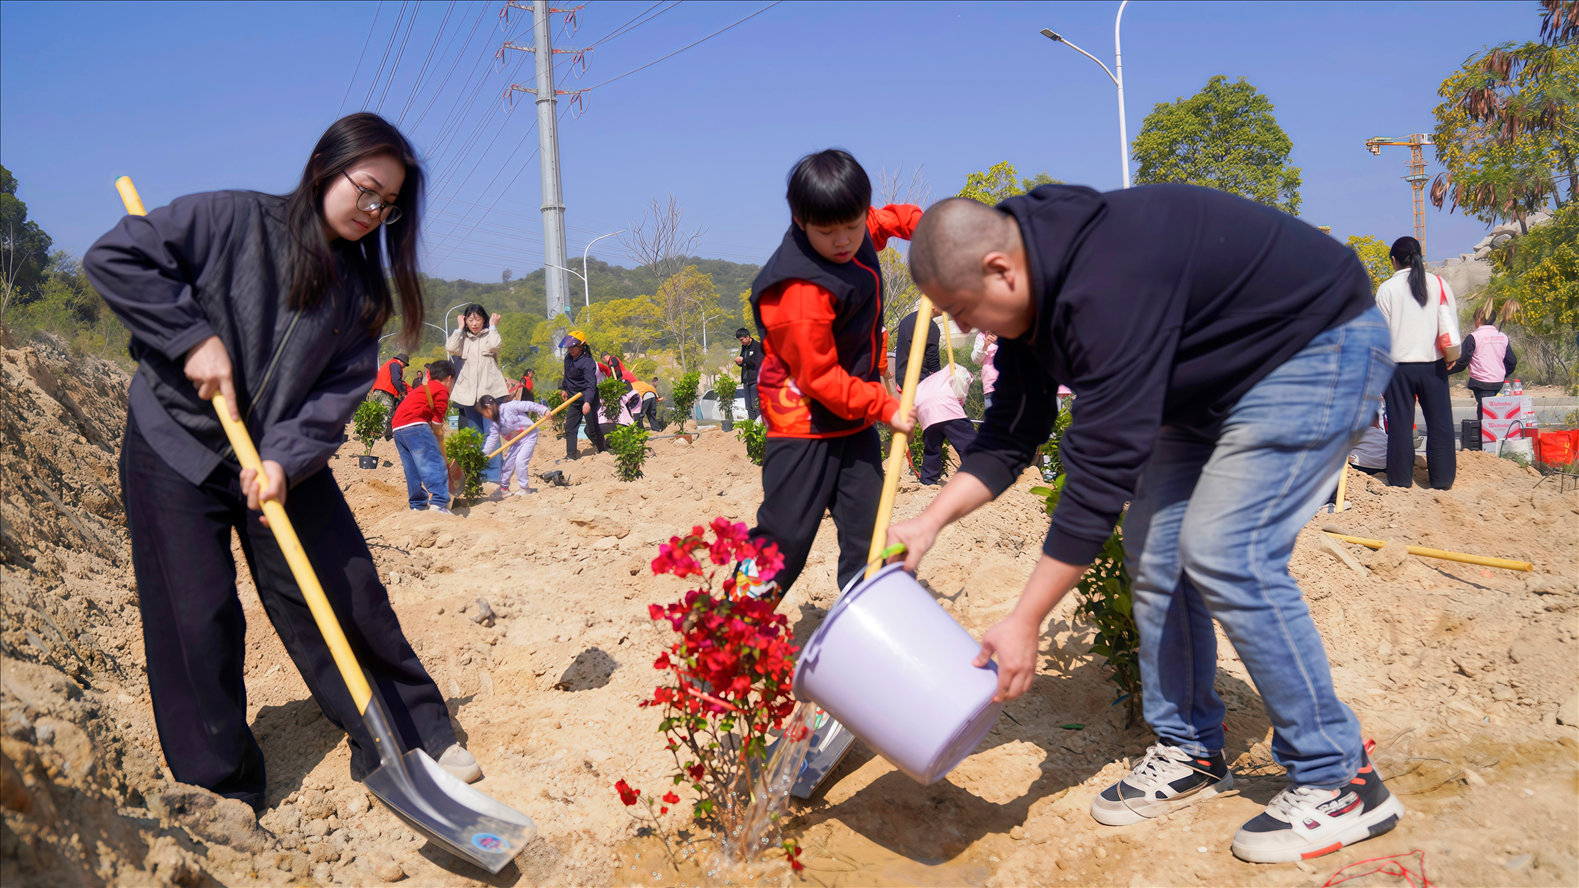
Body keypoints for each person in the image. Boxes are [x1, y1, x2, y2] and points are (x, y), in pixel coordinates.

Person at [892, 185, 1400, 865]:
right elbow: (1012, 431)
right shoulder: (1031, 293)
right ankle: (1191, 748)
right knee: (1156, 548)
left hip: (1313, 345)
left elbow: (1098, 481)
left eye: (963, 310)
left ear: (999, 269)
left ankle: (1340, 779)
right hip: (1208, 384)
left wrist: (1025, 619)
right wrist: (928, 522)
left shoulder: (1105, 283)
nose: (967, 328)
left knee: (1227, 549)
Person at [83, 112, 482, 814]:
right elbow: (115, 257)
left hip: (280, 456)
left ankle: (411, 736)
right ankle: (222, 787)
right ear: (327, 165)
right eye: (366, 190)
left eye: (388, 204)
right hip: (174, 443)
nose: (373, 211)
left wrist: (283, 460)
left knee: (345, 590)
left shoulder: (363, 295)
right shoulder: (231, 218)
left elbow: (335, 395)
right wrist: (190, 337)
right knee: (196, 615)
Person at [746, 148, 919, 597]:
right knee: (783, 541)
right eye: (828, 233)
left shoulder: (852, 226)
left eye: (852, 227)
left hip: (852, 416)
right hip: (803, 423)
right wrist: (884, 405)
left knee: (870, 532)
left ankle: (868, 616)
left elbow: (886, 221)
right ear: (801, 222)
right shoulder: (797, 291)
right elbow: (819, 378)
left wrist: (928, 231)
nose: (844, 241)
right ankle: (730, 627)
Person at [1375, 236, 1457, 489]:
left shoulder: (1387, 289)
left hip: (1398, 369)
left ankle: (1400, 480)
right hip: (1433, 365)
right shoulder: (1438, 283)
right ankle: (1442, 480)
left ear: (1394, 260)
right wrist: (1450, 355)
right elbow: (1450, 322)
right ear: (1420, 257)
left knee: (1400, 426)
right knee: (1440, 425)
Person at [446, 304, 509, 482]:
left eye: (478, 319)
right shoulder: (463, 338)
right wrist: (459, 328)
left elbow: (496, 345)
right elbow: (451, 347)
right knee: (475, 435)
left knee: (491, 434)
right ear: (465, 320)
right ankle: (481, 475)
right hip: (468, 394)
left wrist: (493, 326)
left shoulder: (490, 335)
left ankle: (494, 476)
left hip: (490, 392)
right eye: (470, 319)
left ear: (484, 320)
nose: (474, 323)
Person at [392, 360, 458, 514]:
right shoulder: (441, 390)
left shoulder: (422, 389)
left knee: (412, 468)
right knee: (433, 462)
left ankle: (417, 504)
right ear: (449, 378)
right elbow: (437, 422)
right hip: (416, 425)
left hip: (397, 428)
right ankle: (439, 502)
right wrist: (437, 439)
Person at [1448, 304, 1518, 421]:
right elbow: (1512, 361)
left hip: (1481, 383)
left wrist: (1445, 370)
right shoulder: (1502, 337)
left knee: (1485, 415)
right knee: (1491, 411)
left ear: (1479, 318)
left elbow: (1462, 362)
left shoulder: (1474, 337)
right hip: (1498, 382)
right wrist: (1501, 373)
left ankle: (1484, 431)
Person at [477, 393, 549, 497]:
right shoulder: (494, 422)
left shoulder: (509, 407)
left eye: (483, 413)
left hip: (529, 435)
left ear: (489, 407)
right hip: (515, 441)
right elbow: (492, 438)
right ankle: (504, 488)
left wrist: (544, 410)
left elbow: (529, 405)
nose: (484, 416)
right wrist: (484, 454)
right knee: (507, 464)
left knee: (520, 461)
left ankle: (524, 488)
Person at [915, 364, 977, 485]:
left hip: (925, 413)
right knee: (969, 443)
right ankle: (977, 475)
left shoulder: (933, 379)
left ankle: (928, 481)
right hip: (946, 405)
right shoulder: (960, 371)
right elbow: (960, 391)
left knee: (932, 450)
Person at [559, 330, 606, 458]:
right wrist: (564, 388)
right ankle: (571, 455)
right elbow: (567, 375)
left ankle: (603, 451)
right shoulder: (568, 358)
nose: (570, 350)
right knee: (570, 427)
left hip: (587, 397)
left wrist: (587, 402)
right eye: (568, 347)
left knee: (592, 429)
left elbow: (591, 384)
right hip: (574, 398)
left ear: (581, 346)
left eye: (572, 347)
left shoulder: (587, 362)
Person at [893, 304, 941, 388]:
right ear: (933, 305)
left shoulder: (906, 320)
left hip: (902, 379)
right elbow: (933, 363)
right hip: (919, 382)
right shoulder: (930, 326)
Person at [367, 352, 409, 438]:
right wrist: (403, 392)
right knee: (385, 412)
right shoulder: (396, 365)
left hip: (378, 391)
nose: (404, 367)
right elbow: (396, 380)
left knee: (379, 413)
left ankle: (386, 434)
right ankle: (380, 435)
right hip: (385, 391)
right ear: (402, 361)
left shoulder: (388, 364)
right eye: (405, 365)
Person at [735, 327, 763, 420]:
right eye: (740, 340)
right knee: (749, 406)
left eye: (742, 340)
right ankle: (751, 424)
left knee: (756, 406)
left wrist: (744, 359)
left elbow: (758, 363)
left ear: (747, 337)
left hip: (755, 381)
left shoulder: (757, 347)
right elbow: (744, 362)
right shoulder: (744, 347)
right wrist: (739, 362)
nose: (741, 342)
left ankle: (759, 425)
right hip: (746, 381)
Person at [971, 332, 999, 410]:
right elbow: (975, 360)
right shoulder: (981, 336)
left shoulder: (1007, 332)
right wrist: (984, 346)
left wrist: (998, 342)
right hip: (990, 388)